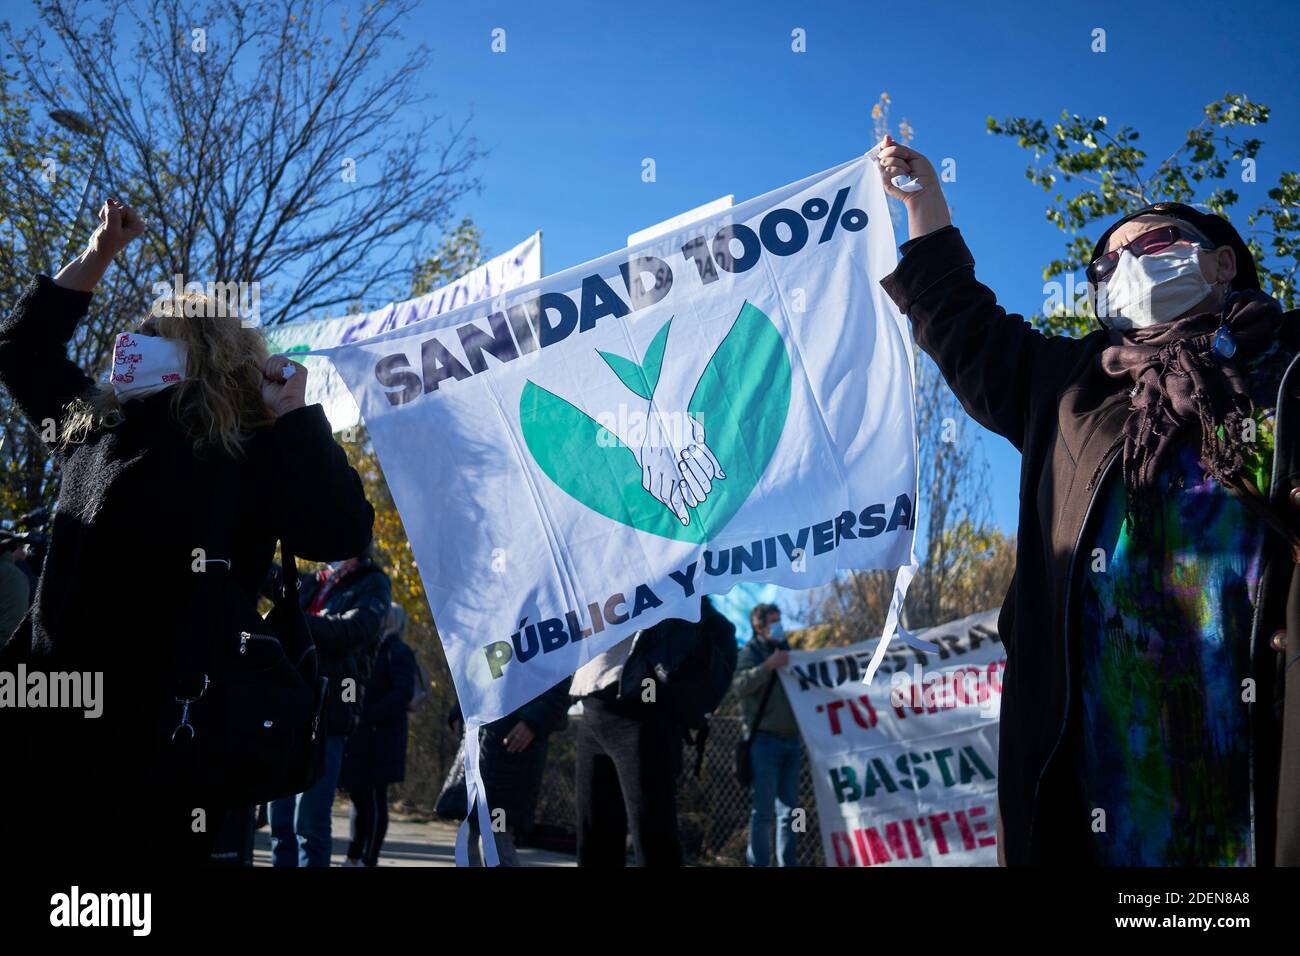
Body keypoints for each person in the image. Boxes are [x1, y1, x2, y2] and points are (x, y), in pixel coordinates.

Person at [874, 136, 1300, 866]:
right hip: (1104, 771)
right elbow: (960, 323)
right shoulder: (1069, 387)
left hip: (1258, 744)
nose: (1129, 264)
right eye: (1106, 264)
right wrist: (926, 202)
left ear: (1224, 263)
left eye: (1156, 242)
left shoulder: (1289, 364)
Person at [0, 198, 375, 865]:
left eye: (151, 331)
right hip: (53, 720)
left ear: (197, 356)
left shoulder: (250, 452)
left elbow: (342, 530)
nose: (131, 341)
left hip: (173, 741)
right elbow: (21, 350)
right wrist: (96, 256)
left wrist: (296, 418)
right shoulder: (95, 425)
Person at [571, 596, 736, 866]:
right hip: (592, 703)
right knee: (594, 836)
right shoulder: (599, 565)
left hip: (641, 709)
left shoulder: (658, 568)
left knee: (652, 833)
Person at [268, 548, 391, 867]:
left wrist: (295, 620)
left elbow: (351, 632)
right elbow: (267, 578)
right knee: (279, 822)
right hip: (287, 709)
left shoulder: (373, 583)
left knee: (308, 823)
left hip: (328, 714)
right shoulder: (312, 581)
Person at [449, 678, 572, 867]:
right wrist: (460, 707)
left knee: (495, 834)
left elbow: (559, 690)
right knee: (470, 834)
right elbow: (474, 669)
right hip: (479, 747)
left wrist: (533, 721)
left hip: (512, 756)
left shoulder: (548, 651)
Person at [339, 602, 418, 867]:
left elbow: (403, 692)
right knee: (359, 798)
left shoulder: (398, 652)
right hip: (362, 737)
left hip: (382, 739)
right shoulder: (368, 649)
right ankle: (353, 854)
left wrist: (369, 713)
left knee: (374, 799)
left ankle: (368, 858)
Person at [733, 602, 802, 867]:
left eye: (779, 620)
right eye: (773, 621)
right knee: (762, 813)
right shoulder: (749, 653)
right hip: (763, 742)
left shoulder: (788, 651)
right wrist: (768, 667)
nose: (779, 626)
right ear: (758, 626)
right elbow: (739, 686)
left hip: (791, 742)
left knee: (791, 812)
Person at [0, 534, 30, 638]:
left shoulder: (11, 574)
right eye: (22, 548)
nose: (25, 551)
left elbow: (11, 624)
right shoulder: (16, 574)